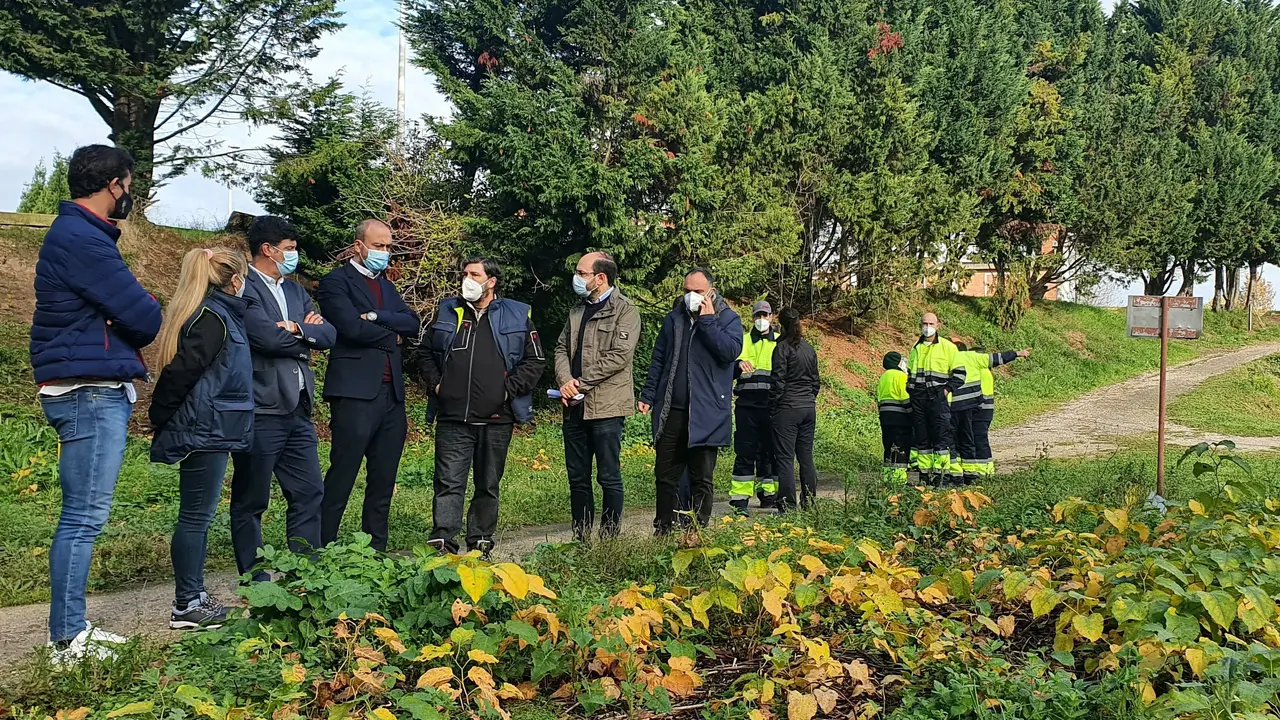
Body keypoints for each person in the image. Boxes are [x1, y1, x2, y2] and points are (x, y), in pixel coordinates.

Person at [31, 144, 163, 660]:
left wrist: (124, 313)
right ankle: (66, 637)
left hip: (87, 385)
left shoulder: (78, 236)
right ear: (115, 185)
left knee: (84, 513)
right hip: (89, 390)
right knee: (83, 516)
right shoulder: (84, 239)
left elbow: (129, 313)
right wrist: (135, 310)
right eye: (129, 184)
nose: (129, 193)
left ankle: (70, 627)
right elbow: (146, 318)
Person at [149, 248, 252, 629]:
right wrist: (159, 415)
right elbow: (182, 372)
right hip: (204, 428)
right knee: (196, 516)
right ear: (235, 281)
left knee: (199, 515)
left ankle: (193, 594)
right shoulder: (213, 318)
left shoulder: (217, 314)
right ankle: (186, 603)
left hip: (211, 426)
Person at [230, 216, 336, 583]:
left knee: (309, 491)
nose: (295, 255)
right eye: (290, 249)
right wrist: (308, 334)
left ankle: (305, 576)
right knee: (251, 498)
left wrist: (298, 329)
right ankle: (256, 581)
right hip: (261, 406)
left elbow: (330, 334)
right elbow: (266, 339)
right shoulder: (243, 288)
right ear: (268, 250)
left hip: (299, 405)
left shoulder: (293, 290)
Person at [421, 257, 545, 557]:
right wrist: (438, 385)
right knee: (448, 482)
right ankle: (443, 542)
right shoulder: (448, 311)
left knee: (487, 484)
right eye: (464, 274)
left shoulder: (516, 314)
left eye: (474, 274)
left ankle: (480, 542)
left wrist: (506, 391)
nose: (467, 279)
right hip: (453, 417)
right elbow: (425, 353)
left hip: (496, 418)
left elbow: (535, 361)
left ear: (491, 281)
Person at [317, 220, 421, 551]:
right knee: (342, 473)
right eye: (378, 246)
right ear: (359, 246)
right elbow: (349, 328)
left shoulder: (387, 287)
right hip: (354, 392)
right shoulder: (336, 282)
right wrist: (393, 334)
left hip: (391, 396)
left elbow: (413, 324)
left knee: (383, 479)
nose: (384, 253)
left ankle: (374, 551)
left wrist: (375, 317)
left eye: (389, 247)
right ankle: (323, 548)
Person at [638, 268, 742, 533]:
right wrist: (649, 394)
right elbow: (659, 358)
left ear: (711, 292)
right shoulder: (674, 318)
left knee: (701, 478)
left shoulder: (728, 319)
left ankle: (696, 532)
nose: (691, 296)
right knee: (665, 475)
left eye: (697, 291)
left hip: (706, 413)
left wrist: (708, 322)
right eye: (687, 291)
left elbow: (730, 352)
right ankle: (663, 528)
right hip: (672, 409)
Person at [554, 252, 641, 541]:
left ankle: (609, 537)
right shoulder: (577, 310)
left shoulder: (625, 310)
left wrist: (580, 383)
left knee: (608, 476)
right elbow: (561, 349)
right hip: (573, 407)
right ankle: (581, 538)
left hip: (606, 407)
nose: (576, 278)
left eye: (581, 273)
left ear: (600, 278)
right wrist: (565, 381)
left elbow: (619, 357)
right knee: (577, 478)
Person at [729, 301, 779, 514]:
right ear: (753, 318)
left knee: (770, 452)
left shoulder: (779, 342)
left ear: (771, 317)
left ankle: (769, 495)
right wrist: (737, 365)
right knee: (745, 451)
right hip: (746, 406)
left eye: (764, 315)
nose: (761, 319)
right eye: (758, 315)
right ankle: (740, 501)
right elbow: (727, 369)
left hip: (771, 405)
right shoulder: (742, 341)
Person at [955, 343, 1030, 481]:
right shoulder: (984, 370)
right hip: (982, 410)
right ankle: (983, 470)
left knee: (976, 439)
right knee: (976, 439)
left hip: (979, 410)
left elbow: (979, 394)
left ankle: (982, 471)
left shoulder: (979, 370)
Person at [769, 308, 820, 511]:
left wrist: (773, 406)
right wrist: (808, 398)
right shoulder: (809, 349)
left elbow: (778, 381)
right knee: (806, 456)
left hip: (788, 408)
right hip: (808, 407)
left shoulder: (782, 348)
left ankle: (787, 506)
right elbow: (816, 382)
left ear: (781, 323)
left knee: (785, 458)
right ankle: (809, 502)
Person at [906, 312, 965, 486]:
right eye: (925, 323)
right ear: (920, 325)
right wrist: (910, 391)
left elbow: (960, 374)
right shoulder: (915, 348)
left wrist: (947, 390)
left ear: (937, 325)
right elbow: (910, 374)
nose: (927, 327)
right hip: (918, 398)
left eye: (931, 323)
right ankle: (925, 477)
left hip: (938, 399)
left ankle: (942, 477)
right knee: (922, 440)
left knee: (941, 439)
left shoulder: (947, 347)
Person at [876, 351, 912, 486]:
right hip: (900, 418)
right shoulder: (901, 376)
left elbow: (879, 399)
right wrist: (912, 415)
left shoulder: (883, 377)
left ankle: (887, 478)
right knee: (901, 447)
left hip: (885, 417)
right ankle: (899, 480)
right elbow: (905, 397)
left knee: (888, 447)